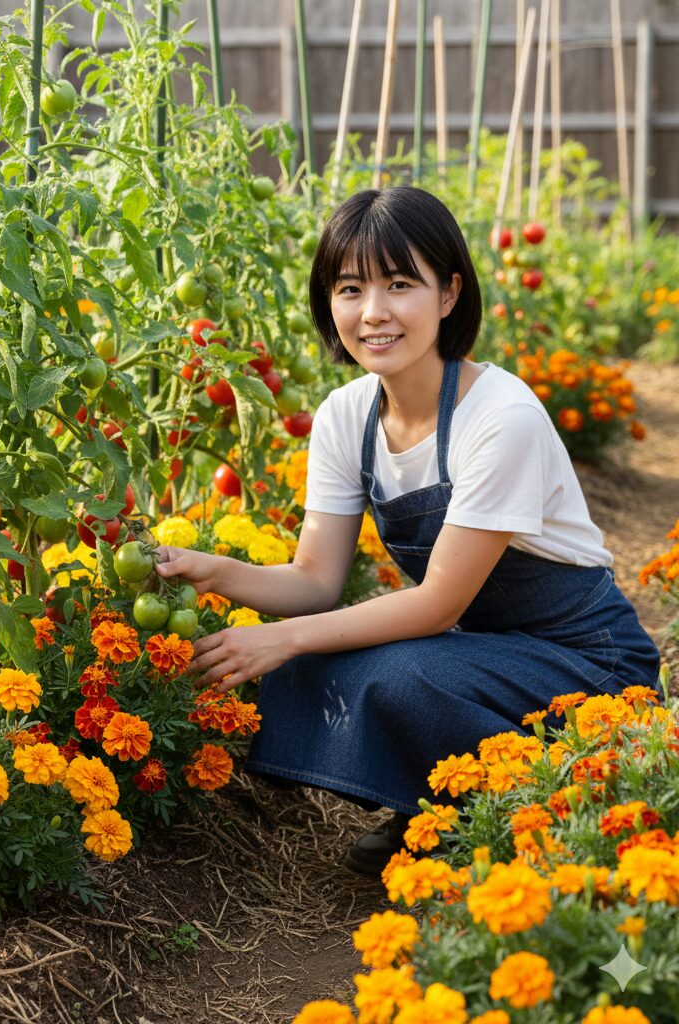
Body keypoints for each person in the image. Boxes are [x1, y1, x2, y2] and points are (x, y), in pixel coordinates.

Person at [154, 186, 661, 876]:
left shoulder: (500, 417)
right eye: (350, 288)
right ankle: (440, 800)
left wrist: (282, 638)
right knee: (320, 658)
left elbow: (438, 604)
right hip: (487, 652)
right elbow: (315, 580)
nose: (373, 312)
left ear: (449, 293)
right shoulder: (346, 417)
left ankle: (491, 808)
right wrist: (212, 570)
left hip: (589, 662)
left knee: (386, 671)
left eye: (398, 284)